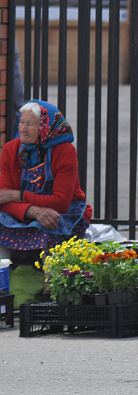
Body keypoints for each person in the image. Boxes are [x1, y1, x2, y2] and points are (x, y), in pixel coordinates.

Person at [0, 100, 92, 305]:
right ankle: (6, 291)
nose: (22, 129)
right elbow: (2, 199)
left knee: (50, 224)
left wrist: (18, 196)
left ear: (45, 128)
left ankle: (52, 294)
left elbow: (60, 202)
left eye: (30, 124)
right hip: (28, 212)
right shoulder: (10, 149)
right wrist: (33, 210)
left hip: (67, 213)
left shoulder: (64, 151)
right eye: (21, 122)